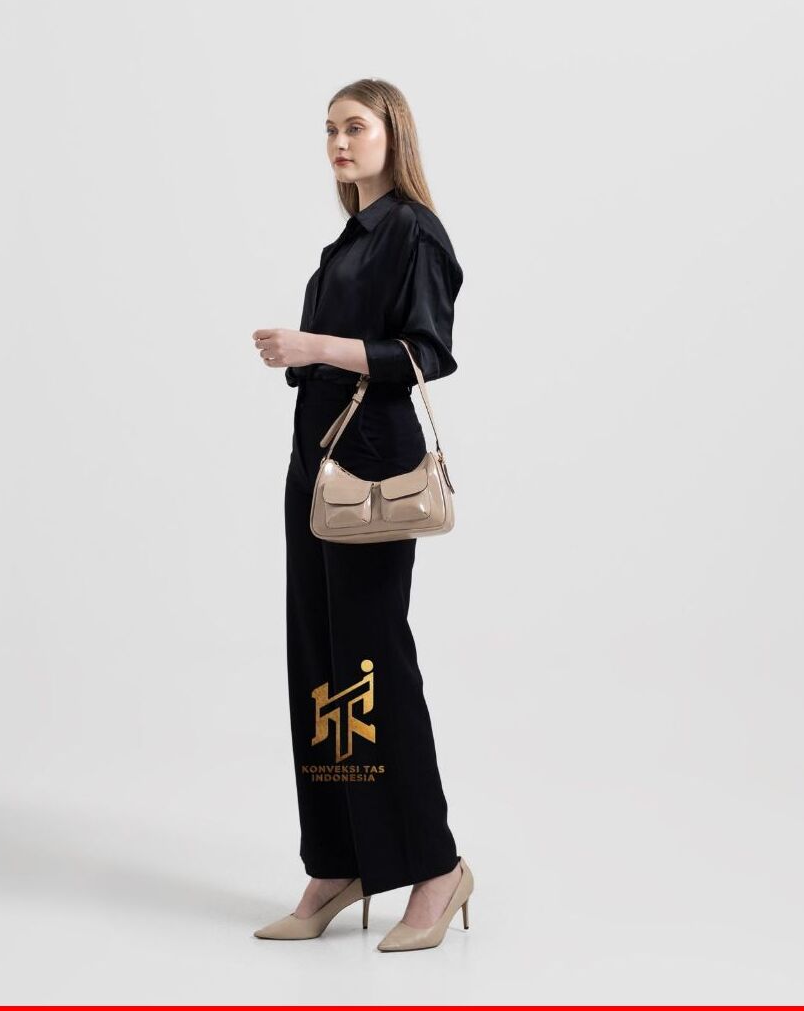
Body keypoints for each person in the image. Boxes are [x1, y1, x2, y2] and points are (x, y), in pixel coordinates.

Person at [250, 78, 474, 953]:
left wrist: (310, 346)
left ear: (393, 136)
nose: (339, 142)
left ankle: (436, 868)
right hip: (315, 469)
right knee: (320, 664)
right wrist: (302, 360)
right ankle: (338, 861)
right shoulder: (345, 243)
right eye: (330, 130)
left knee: (374, 663)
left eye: (356, 127)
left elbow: (424, 354)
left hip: (373, 473)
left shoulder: (413, 232)